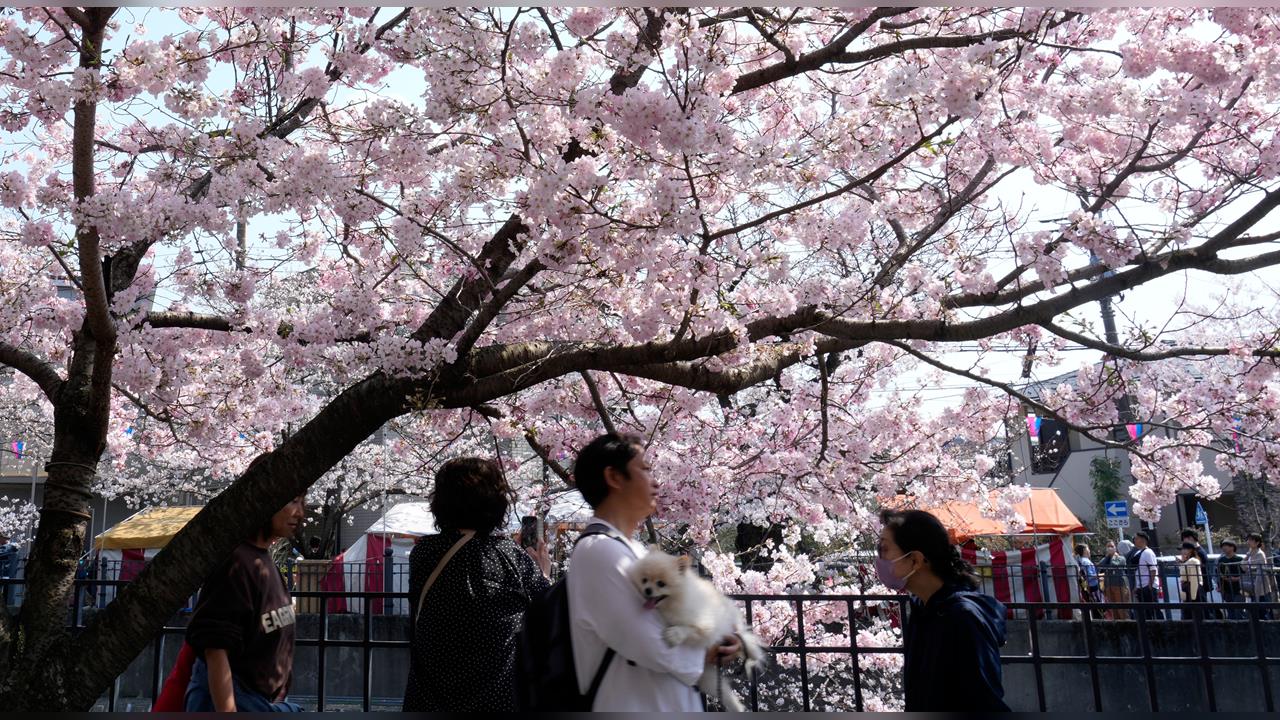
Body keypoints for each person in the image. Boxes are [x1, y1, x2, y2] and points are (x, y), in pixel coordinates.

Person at [566, 433, 741, 711]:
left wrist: (720, 635)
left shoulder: (631, 550)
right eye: (645, 469)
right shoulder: (599, 551)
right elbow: (652, 645)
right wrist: (710, 646)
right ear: (614, 477)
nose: (656, 481)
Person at [402, 457, 551, 712]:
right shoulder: (510, 555)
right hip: (497, 698)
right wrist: (544, 573)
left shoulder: (424, 553)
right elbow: (547, 611)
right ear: (496, 502)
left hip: (430, 697)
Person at [184, 492, 307, 712]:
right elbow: (216, 648)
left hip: (260, 701)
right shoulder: (236, 563)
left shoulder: (263, 560)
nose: (300, 513)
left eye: (301, 501)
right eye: (292, 500)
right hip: (232, 699)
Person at [879, 509, 1010, 712]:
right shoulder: (923, 608)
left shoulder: (962, 617)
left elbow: (984, 702)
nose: (880, 558)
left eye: (884, 549)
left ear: (915, 559)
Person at [1181, 528, 1215, 616]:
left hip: (1198, 585)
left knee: (1200, 611)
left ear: (1190, 538)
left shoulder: (1198, 552)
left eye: (1184, 538)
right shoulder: (1198, 551)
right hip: (1197, 584)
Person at [1243, 533, 1276, 620]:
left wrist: (1247, 566)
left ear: (1257, 542)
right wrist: (1248, 555)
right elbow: (1243, 566)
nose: (1248, 542)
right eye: (1248, 540)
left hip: (1260, 585)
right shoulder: (1250, 553)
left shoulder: (1260, 554)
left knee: (1263, 608)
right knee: (1256, 609)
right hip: (1252, 583)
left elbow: (1256, 568)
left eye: (1251, 540)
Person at [1131, 532, 1163, 620]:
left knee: (1154, 610)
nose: (1135, 540)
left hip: (1148, 586)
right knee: (1145, 611)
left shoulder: (1148, 552)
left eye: (1136, 538)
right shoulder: (1138, 552)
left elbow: (1153, 569)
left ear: (1143, 540)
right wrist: (1136, 586)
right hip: (1141, 586)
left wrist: (1150, 584)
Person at [1097, 540, 1130, 620]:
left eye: (1112, 546)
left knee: (1122, 610)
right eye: (1108, 547)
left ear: (1115, 548)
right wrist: (1108, 556)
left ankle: (1127, 626)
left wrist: (1113, 555)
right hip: (1109, 586)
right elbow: (1100, 566)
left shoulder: (1121, 558)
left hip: (1120, 586)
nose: (1110, 548)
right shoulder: (1106, 559)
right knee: (1114, 610)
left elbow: (1114, 565)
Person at [1217, 540, 1245, 619]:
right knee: (1230, 611)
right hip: (1226, 589)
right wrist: (1219, 586)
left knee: (1238, 611)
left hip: (1239, 589)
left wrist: (1236, 578)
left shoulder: (1239, 559)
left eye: (1226, 546)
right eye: (1222, 546)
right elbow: (1219, 574)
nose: (1224, 548)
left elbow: (1245, 574)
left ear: (1232, 547)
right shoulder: (1221, 560)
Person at [1178, 541, 1203, 619]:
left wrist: (1193, 596)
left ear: (1190, 550)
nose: (1182, 551)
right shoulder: (1187, 561)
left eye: (1183, 549)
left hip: (1192, 589)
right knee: (1187, 614)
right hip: (1186, 588)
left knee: (1193, 614)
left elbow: (1194, 579)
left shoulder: (1193, 561)